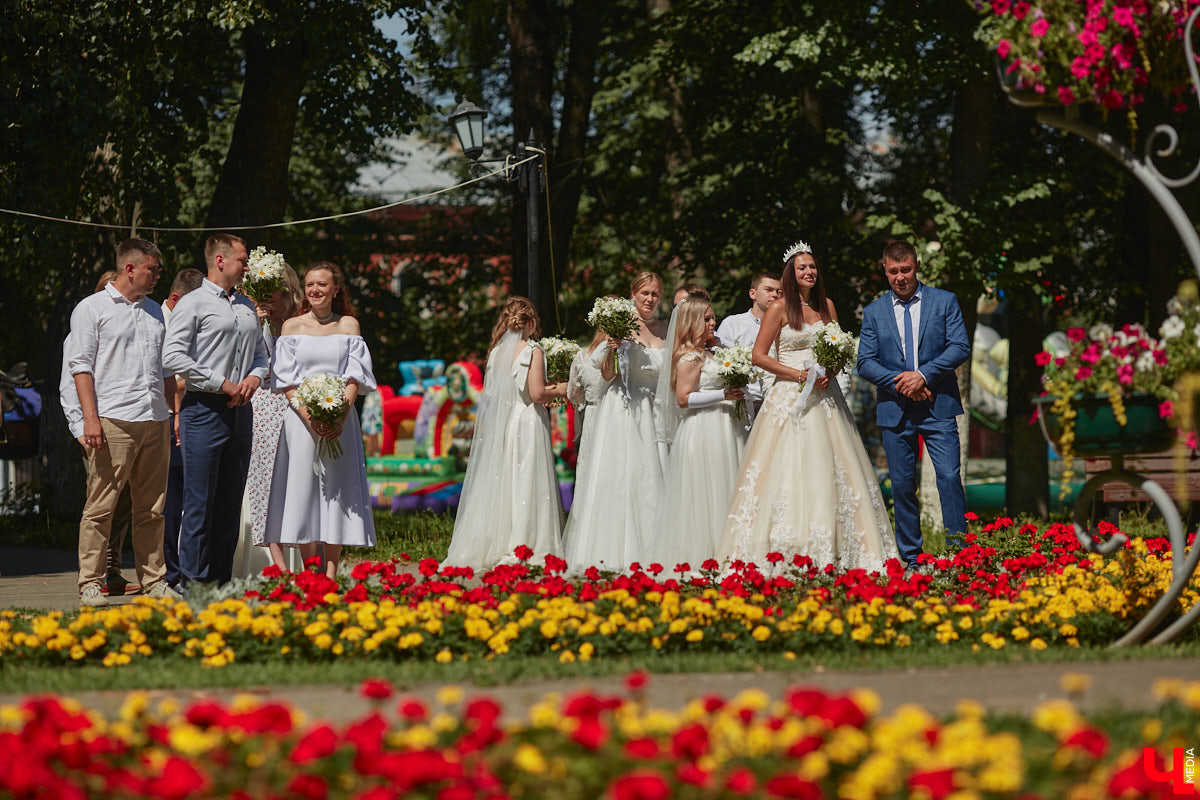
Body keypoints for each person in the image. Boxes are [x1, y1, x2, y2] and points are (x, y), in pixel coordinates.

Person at [717, 240, 898, 571]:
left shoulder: (826, 306)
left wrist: (828, 369)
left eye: (813, 266)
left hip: (826, 398)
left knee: (833, 468)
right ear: (791, 272)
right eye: (802, 267)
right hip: (789, 395)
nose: (809, 271)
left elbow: (838, 345)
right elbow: (759, 356)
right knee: (787, 469)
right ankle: (783, 548)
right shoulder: (778, 308)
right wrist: (798, 374)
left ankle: (841, 549)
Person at [66, 238, 178, 606]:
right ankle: (91, 582)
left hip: (154, 419)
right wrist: (90, 420)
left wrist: (170, 412)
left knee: (152, 508)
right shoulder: (91, 308)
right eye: (152, 269)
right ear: (130, 268)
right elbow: (80, 367)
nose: (156, 276)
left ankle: (154, 579)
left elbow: (163, 368)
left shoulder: (155, 312)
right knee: (101, 506)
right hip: (113, 419)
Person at [857, 239, 970, 575]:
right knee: (903, 485)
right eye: (893, 272)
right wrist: (903, 382)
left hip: (939, 406)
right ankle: (913, 559)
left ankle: (958, 555)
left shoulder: (944, 301)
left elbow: (959, 346)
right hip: (896, 409)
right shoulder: (875, 311)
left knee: (949, 477)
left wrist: (922, 376)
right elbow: (865, 362)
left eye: (905, 270)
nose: (900, 277)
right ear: (884, 270)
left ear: (916, 265)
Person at [163, 234, 268, 587]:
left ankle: (222, 584)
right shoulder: (193, 303)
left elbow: (260, 356)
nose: (247, 266)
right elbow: (173, 355)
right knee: (199, 502)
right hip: (203, 409)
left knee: (229, 502)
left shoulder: (246, 306)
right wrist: (219, 382)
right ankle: (194, 584)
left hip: (240, 410)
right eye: (242, 259)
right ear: (220, 261)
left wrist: (254, 377)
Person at [263, 262, 377, 579]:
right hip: (301, 422)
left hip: (341, 418)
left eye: (323, 285)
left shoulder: (349, 325)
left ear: (335, 289)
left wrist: (339, 414)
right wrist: (310, 417)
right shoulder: (291, 327)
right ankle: (310, 572)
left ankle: (329, 572)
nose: (315, 290)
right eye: (311, 284)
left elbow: (355, 375)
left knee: (336, 490)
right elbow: (286, 380)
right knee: (304, 490)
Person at [444, 297, 568, 569]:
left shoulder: (497, 353)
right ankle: (525, 543)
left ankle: (499, 541)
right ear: (532, 322)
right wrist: (561, 388)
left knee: (506, 481)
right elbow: (536, 394)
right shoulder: (532, 350)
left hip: (504, 423)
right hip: (527, 422)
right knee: (526, 481)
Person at [564, 271, 667, 573]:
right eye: (645, 293)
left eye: (655, 294)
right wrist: (612, 345)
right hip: (624, 408)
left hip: (657, 407)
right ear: (633, 295)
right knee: (625, 477)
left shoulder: (665, 329)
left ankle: (655, 548)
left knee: (653, 478)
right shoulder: (621, 326)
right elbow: (606, 374)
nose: (650, 299)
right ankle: (613, 550)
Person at [645, 299, 745, 570]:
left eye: (713, 318)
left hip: (724, 427)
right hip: (703, 428)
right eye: (707, 319)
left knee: (727, 484)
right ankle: (705, 554)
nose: (713, 324)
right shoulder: (689, 357)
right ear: (692, 323)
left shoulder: (713, 354)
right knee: (706, 490)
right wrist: (723, 395)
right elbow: (684, 399)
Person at [61, 269, 134, 597]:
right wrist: (80, 427)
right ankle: (93, 574)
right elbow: (69, 383)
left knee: (126, 502)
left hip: (127, 425)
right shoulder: (82, 328)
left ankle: (113, 569)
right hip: (96, 427)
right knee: (102, 501)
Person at [232, 260, 304, 579]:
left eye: (275, 292)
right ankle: (268, 563)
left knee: (293, 481)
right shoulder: (245, 320)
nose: (269, 299)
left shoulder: (300, 323)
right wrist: (254, 323)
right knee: (259, 478)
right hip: (259, 406)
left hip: (293, 407)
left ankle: (298, 559)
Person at [160, 267, 205, 590]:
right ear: (176, 299)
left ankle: (180, 572)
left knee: (184, 499)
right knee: (166, 503)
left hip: (187, 416)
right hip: (161, 417)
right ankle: (167, 572)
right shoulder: (157, 320)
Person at [715, 272, 783, 421]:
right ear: (753, 293)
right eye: (769, 290)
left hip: (775, 402)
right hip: (740, 402)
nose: (775, 295)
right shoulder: (732, 324)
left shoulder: (785, 328)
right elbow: (718, 361)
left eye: (779, 292)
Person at [566, 325, 612, 501]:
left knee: (591, 469)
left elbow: (574, 395)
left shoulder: (582, 356)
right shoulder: (621, 354)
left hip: (592, 414)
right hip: (616, 414)